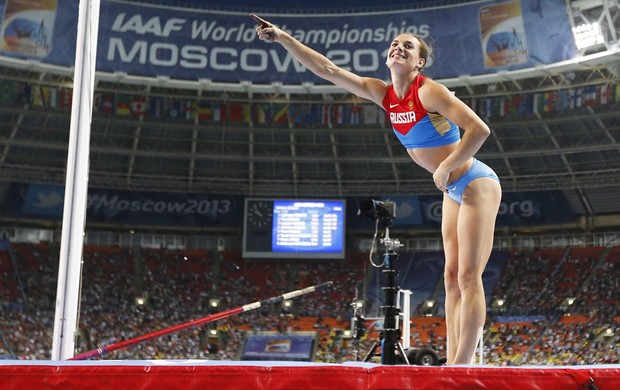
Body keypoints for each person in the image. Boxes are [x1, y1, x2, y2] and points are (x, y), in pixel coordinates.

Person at [252, 14, 502, 365]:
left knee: (467, 275)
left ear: (419, 62)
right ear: (388, 57)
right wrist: (282, 38)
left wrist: (446, 166)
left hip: (476, 183)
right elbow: (329, 71)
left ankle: (461, 365)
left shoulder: (430, 91)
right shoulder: (384, 95)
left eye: (408, 46)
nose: (399, 48)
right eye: (394, 45)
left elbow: (479, 130)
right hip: (452, 190)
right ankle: (453, 360)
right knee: (449, 277)